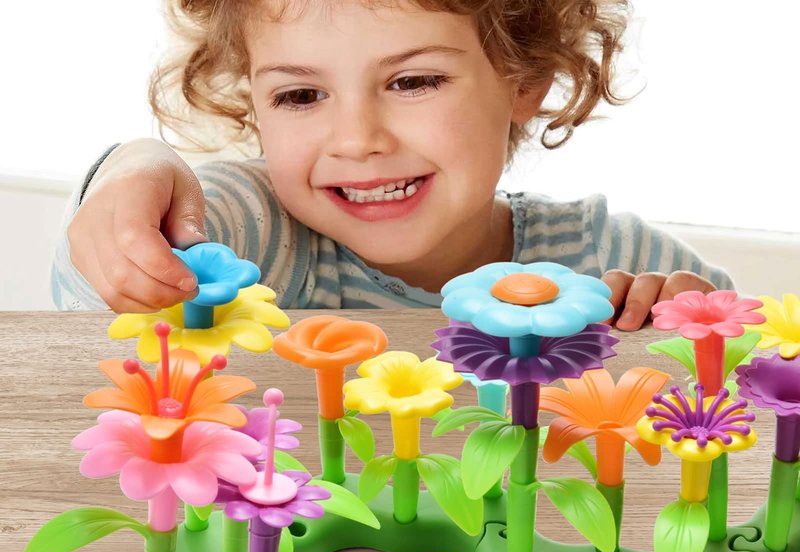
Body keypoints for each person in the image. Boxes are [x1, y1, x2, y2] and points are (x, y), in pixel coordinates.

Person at [52, 0, 733, 330]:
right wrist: (135, 168)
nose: (358, 140)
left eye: (413, 82)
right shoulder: (261, 240)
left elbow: (753, 418)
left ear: (525, 81)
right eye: (300, 95)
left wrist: (693, 339)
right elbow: (98, 288)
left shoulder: (615, 260)